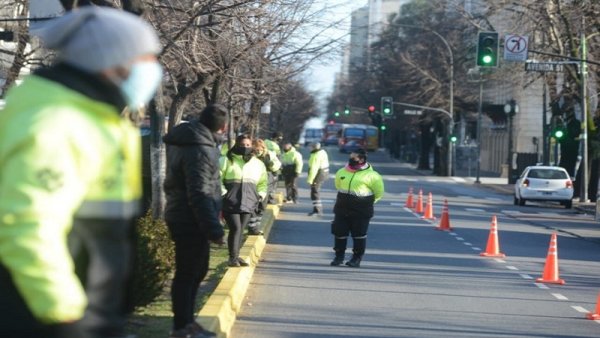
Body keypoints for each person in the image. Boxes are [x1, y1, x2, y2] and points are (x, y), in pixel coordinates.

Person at [0, 6, 162, 338]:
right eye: (145, 59)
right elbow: (27, 227)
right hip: (45, 318)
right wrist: (67, 318)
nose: (152, 70)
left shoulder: (94, 120)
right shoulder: (56, 122)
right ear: (111, 62)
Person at [163, 104, 229, 338]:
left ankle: (187, 323)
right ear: (223, 126)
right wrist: (213, 228)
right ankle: (182, 327)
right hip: (189, 218)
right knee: (188, 273)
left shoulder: (193, 141)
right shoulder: (200, 148)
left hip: (186, 215)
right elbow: (200, 192)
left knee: (197, 270)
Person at [330, 150, 384, 268]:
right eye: (350, 157)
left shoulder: (373, 176)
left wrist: (366, 203)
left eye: (353, 158)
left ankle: (356, 258)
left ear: (362, 159)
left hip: (361, 211)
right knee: (339, 233)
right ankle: (339, 256)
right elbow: (338, 186)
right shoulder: (341, 171)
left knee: (358, 235)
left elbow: (379, 193)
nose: (350, 159)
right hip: (342, 209)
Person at [220, 134, 268, 267]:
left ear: (251, 146)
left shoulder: (258, 164)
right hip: (230, 201)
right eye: (242, 145)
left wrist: (260, 195)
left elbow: (263, 182)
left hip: (249, 201)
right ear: (237, 145)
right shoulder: (226, 160)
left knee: (241, 229)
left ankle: (236, 256)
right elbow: (215, 179)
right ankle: (232, 258)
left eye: (248, 145)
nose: (245, 147)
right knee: (235, 228)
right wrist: (223, 193)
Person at [247, 139, 282, 235]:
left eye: (260, 149)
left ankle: (256, 225)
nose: (258, 151)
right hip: (253, 182)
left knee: (262, 206)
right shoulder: (249, 156)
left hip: (266, 182)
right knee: (253, 205)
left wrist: (271, 165)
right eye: (256, 149)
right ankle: (252, 227)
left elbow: (277, 165)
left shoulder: (269, 155)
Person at [306, 142, 330, 216]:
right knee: (315, 191)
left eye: (310, 147)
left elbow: (314, 169)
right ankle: (316, 210)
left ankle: (317, 211)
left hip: (318, 174)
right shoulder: (322, 152)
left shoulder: (315, 155)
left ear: (314, 148)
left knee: (315, 192)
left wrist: (310, 180)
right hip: (324, 172)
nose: (309, 148)